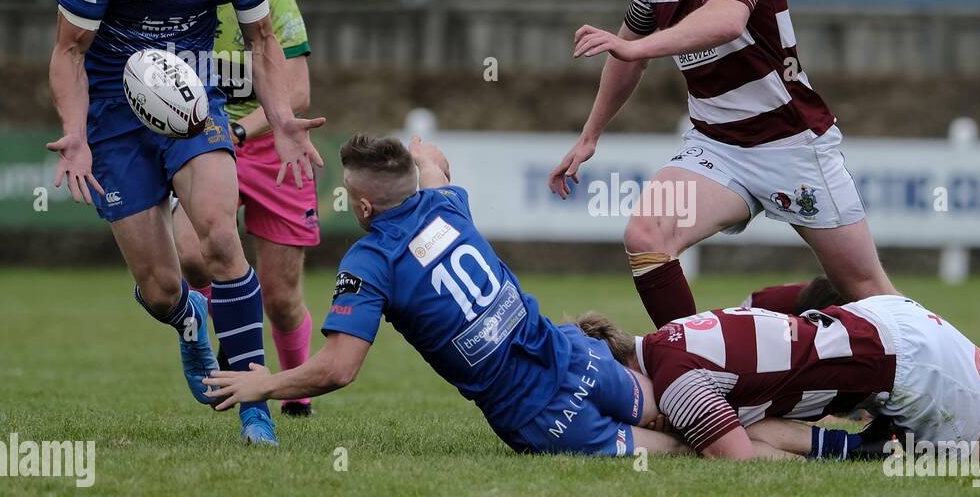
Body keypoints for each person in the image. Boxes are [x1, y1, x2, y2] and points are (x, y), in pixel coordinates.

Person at [48, 0, 323, 445]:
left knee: (221, 241)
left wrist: (279, 119)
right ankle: (189, 318)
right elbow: (67, 52)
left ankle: (253, 403)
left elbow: (260, 37)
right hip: (116, 116)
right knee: (160, 286)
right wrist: (76, 131)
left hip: (192, 104)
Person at [550, 0, 895, 329]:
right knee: (646, 233)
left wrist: (638, 48)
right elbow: (626, 53)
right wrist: (590, 135)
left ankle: (950, 386)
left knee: (865, 289)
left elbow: (725, 19)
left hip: (790, 142)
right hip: (716, 146)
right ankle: (693, 375)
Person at [205, 135, 695, 457]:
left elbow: (340, 368)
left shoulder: (370, 260)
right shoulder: (446, 204)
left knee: (682, 451)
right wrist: (418, 154)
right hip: (576, 356)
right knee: (696, 418)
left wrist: (263, 386)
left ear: (362, 205)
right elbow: (435, 165)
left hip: (540, 414)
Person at [578, 299, 980, 462]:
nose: (636, 417)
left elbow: (740, 459)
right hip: (880, 334)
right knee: (947, 454)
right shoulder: (667, 339)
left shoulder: (680, 383)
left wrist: (677, 445)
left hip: (898, 360)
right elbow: (770, 429)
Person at [171, 0, 320, 418]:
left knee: (281, 299)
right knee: (191, 254)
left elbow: (297, 90)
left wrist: (242, 130)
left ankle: (296, 392)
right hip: (204, 143)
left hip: (272, 148)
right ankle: (230, 338)